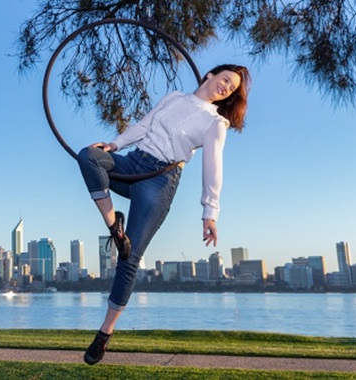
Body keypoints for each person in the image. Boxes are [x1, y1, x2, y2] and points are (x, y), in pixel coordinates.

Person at [77, 64, 251, 365]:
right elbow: (143, 127)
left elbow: (213, 166)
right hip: (133, 163)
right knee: (89, 155)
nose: (226, 88)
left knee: (129, 260)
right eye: (225, 80)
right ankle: (114, 227)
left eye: (232, 89)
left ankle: (104, 334)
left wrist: (210, 212)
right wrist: (115, 144)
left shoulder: (215, 123)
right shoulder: (173, 97)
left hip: (159, 181)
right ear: (210, 75)